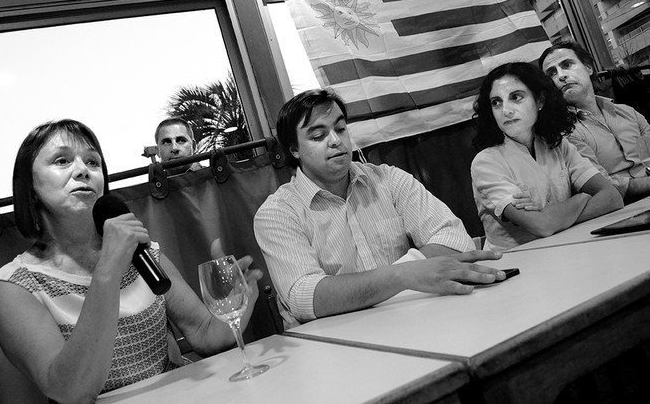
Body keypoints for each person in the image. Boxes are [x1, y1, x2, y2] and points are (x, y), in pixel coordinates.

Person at [0, 119, 262, 403]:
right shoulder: (13, 285)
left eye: (93, 163)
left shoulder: (143, 252)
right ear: (29, 185)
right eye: (62, 160)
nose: (83, 171)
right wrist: (108, 268)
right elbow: (70, 391)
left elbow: (205, 335)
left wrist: (237, 302)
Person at [254, 88, 507, 328]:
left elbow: (454, 237)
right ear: (294, 149)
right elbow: (305, 297)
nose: (335, 141)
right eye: (318, 136)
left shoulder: (388, 179)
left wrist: (398, 276)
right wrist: (404, 275)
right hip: (340, 344)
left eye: (340, 129)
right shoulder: (277, 213)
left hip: (413, 321)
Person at [471, 62, 623, 251]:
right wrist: (581, 198)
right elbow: (541, 226)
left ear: (540, 101)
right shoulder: (486, 163)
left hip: (568, 247)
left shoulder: (559, 145)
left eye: (516, 97)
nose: (506, 110)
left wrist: (553, 217)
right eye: (496, 102)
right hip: (517, 264)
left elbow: (612, 197)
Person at [539, 41, 650, 202]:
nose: (561, 75)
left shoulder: (627, 112)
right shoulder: (564, 132)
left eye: (567, 65)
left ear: (588, 68)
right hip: (621, 211)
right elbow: (605, 187)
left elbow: (648, 154)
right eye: (552, 73)